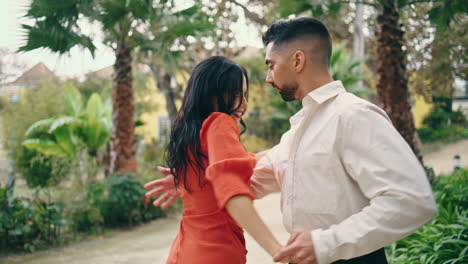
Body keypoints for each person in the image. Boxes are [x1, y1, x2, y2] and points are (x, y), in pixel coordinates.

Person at [145, 18, 437, 264]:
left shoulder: (353, 115)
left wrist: (325, 244)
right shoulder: (295, 134)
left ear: (298, 60)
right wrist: (196, 178)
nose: (268, 78)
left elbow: (413, 201)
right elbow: (249, 177)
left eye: (271, 65)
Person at [144, 56, 287, 264]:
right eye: (237, 94)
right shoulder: (220, 122)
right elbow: (231, 191)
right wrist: (277, 249)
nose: (245, 104)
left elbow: (246, 162)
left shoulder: (191, 133)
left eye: (245, 94)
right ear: (211, 93)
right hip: (214, 254)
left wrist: (186, 182)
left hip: (184, 252)